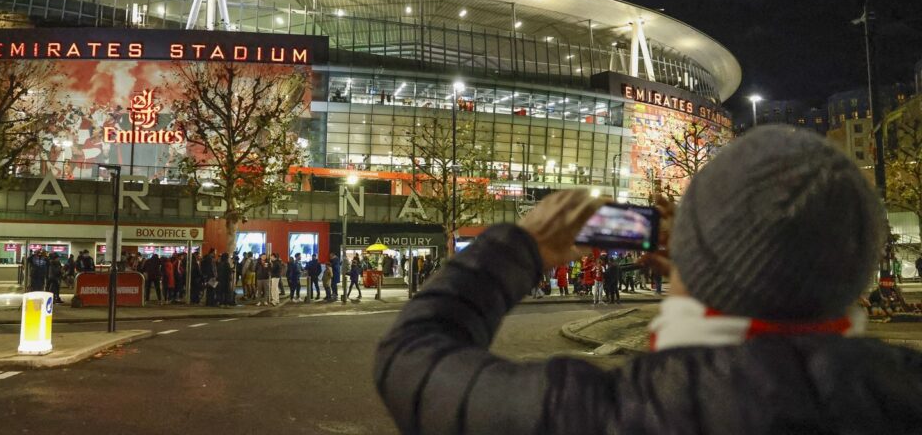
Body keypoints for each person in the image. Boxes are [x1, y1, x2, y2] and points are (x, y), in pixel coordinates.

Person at [374, 126, 922, 434]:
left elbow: (411, 358)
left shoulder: (606, 413)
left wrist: (519, 247)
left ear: (694, 254)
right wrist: (705, 267)